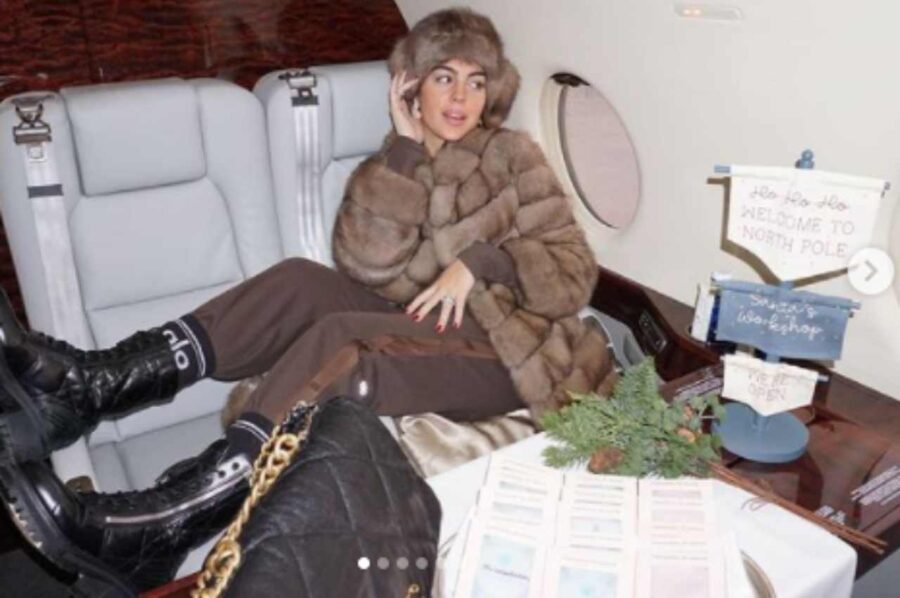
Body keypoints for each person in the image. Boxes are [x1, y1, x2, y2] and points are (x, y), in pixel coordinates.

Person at [0, 7, 616, 593]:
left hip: (521, 354)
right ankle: (92, 386)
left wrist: (480, 265)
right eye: (443, 78)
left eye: (476, 81)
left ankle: (177, 516)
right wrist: (405, 154)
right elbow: (365, 264)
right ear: (411, 89)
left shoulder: (513, 159)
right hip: (433, 330)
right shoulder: (397, 160)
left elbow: (572, 274)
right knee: (299, 280)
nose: (460, 98)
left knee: (348, 341)